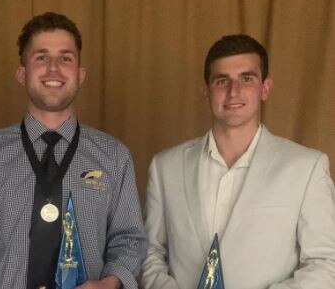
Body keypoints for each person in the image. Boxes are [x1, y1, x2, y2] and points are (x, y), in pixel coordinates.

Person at [0, 12, 147, 289]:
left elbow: (129, 238)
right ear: (22, 74)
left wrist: (110, 282)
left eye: (66, 58)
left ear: (80, 75)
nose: (54, 68)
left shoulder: (114, 156)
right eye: (41, 57)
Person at [141, 34, 335, 288]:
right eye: (222, 81)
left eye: (247, 78)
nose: (234, 91)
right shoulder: (164, 167)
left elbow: (326, 263)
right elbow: (149, 253)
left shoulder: (306, 167)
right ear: (206, 91)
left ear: (265, 88)